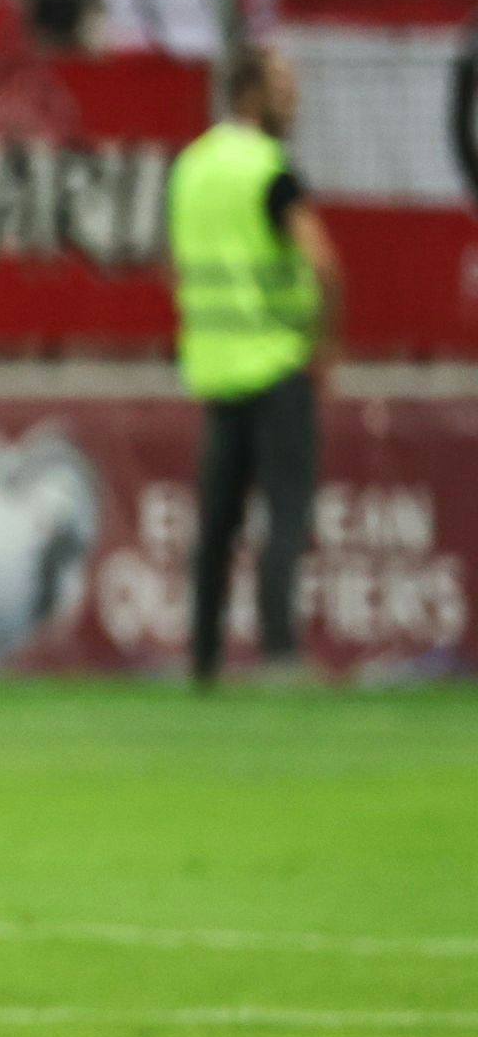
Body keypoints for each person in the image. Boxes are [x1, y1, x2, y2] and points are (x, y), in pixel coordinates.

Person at [166, 47, 342, 684]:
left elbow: (176, 265)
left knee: (217, 522)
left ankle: (203, 660)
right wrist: (324, 344)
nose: (293, 100)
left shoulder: (190, 167)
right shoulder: (269, 169)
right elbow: (323, 263)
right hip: (276, 363)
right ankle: (279, 654)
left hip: (215, 369)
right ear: (249, 94)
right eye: (282, 85)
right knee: (286, 514)